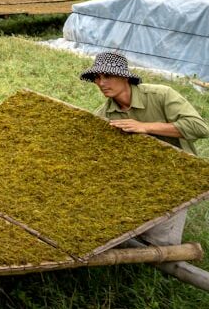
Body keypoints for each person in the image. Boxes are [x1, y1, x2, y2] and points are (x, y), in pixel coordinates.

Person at [82, 51, 209, 244]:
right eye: (97, 78)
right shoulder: (104, 115)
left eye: (107, 76)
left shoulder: (160, 95)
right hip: (137, 175)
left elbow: (199, 128)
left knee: (161, 242)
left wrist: (145, 126)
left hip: (178, 174)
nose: (101, 83)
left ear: (124, 76)